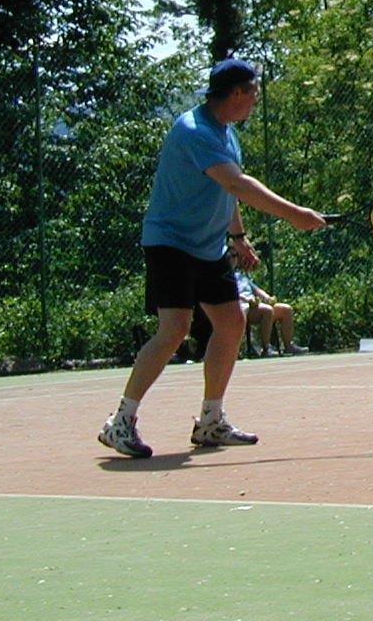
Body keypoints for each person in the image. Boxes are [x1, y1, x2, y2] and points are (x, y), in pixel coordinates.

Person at [97, 58, 326, 458]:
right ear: (236, 93)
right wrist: (296, 215)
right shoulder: (195, 131)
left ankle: (210, 422)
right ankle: (120, 422)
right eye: (253, 93)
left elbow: (226, 190)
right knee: (174, 329)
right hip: (171, 242)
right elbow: (238, 182)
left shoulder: (224, 132)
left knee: (232, 322)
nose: (255, 101)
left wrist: (237, 236)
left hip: (208, 246)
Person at [235, 265, 307, 356]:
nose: (234, 259)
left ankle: (288, 346)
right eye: (231, 257)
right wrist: (247, 300)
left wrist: (267, 298)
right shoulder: (225, 277)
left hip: (256, 305)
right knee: (267, 310)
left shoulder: (242, 276)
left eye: (235, 256)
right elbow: (230, 294)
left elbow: (257, 290)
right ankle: (266, 349)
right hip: (242, 307)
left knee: (286, 309)